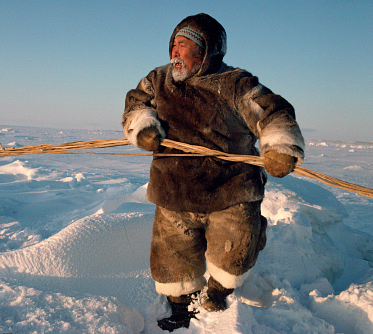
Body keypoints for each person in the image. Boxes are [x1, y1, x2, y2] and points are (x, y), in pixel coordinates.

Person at [122, 13, 305, 332]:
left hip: (230, 190)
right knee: (172, 256)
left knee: (234, 249)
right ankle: (180, 308)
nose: (175, 52)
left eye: (185, 45)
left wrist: (279, 148)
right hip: (174, 191)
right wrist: (144, 127)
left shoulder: (236, 83)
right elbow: (138, 105)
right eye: (173, 45)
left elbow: (273, 112)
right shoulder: (158, 80)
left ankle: (219, 292)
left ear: (206, 51)